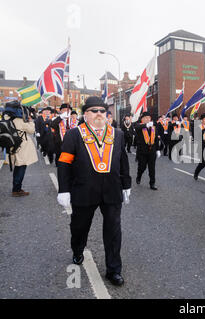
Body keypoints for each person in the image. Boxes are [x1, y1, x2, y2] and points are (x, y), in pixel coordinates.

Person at [56, 96, 131, 286]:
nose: (99, 114)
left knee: (113, 231)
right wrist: (63, 189)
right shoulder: (74, 134)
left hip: (112, 190)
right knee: (79, 227)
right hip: (83, 190)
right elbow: (64, 163)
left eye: (102, 111)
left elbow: (123, 161)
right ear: (85, 114)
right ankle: (78, 249)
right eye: (94, 110)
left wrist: (126, 184)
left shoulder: (118, 134)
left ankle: (114, 269)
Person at [3, 101, 38, 197]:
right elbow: (31, 130)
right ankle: (16, 189)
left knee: (17, 167)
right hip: (21, 147)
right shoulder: (19, 120)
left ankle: (16, 188)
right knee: (21, 167)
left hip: (11, 146)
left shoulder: (5, 118)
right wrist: (30, 120)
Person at [134, 112, 161, 190]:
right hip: (142, 151)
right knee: (142, 167)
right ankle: (139, 176)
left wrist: (158, 149)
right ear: (142, 119)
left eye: (149, 117)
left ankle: (152, 183)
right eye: (145, 118)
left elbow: (156, 139)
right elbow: (137, 127)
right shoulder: (139, 125)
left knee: (152, 168)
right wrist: (146, 125)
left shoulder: (153, 127)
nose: (148, 119)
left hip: (152, 150)